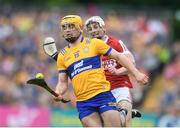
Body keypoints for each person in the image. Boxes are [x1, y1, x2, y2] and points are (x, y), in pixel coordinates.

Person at [49, 15, 148, 127]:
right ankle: (122, 113)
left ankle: (123, 114)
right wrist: (58, 92)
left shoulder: (94, 43)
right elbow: (62, 83)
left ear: (80, 28)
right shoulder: (62, 56)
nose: (67, 30)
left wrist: (137, 73)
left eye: (71, 26)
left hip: (102, 96)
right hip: (83, 102)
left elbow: (119, 57)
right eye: (64, 27)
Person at [84, 16, 145, 126]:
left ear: (103, 28)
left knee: (125, 123)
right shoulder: (87, 49)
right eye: (90, 29)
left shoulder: (116, 43)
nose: (93, 31)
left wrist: (118, 72)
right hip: (102, 91)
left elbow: (132, 63)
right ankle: (128, 112)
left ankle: (127, 113)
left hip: (119, 87)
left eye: (96, 27)